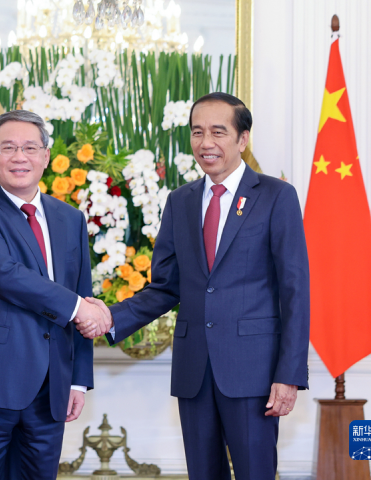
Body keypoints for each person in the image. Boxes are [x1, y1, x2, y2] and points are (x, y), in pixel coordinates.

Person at [77, 93, 310, 480]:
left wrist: (288, 374)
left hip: (253, 371)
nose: (206, 143)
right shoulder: (180, 201)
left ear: (242, 139)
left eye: (219, 132)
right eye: (197, 132)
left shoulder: (276, 196)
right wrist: (108, 317)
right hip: (194, 371)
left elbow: (295, 291)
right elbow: (166, 287)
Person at [0, 110, 109, 479]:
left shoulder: (70, 218)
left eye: (30, 147)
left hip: (50, 389)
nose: (20, 157)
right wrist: (79, 307)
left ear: (46, 156)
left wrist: (78, 379)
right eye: (8, 147)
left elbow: (81, 290)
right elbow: (7, 276)